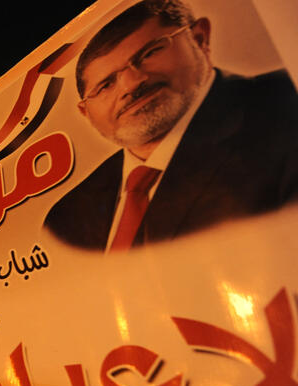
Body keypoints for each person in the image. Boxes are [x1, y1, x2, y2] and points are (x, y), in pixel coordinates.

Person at [43, 0, 298, 251]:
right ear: (85, 112)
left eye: (150, 52)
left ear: (199, 38)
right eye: (106, 84)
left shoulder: (285, 103)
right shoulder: (67, 217)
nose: (132, 84)